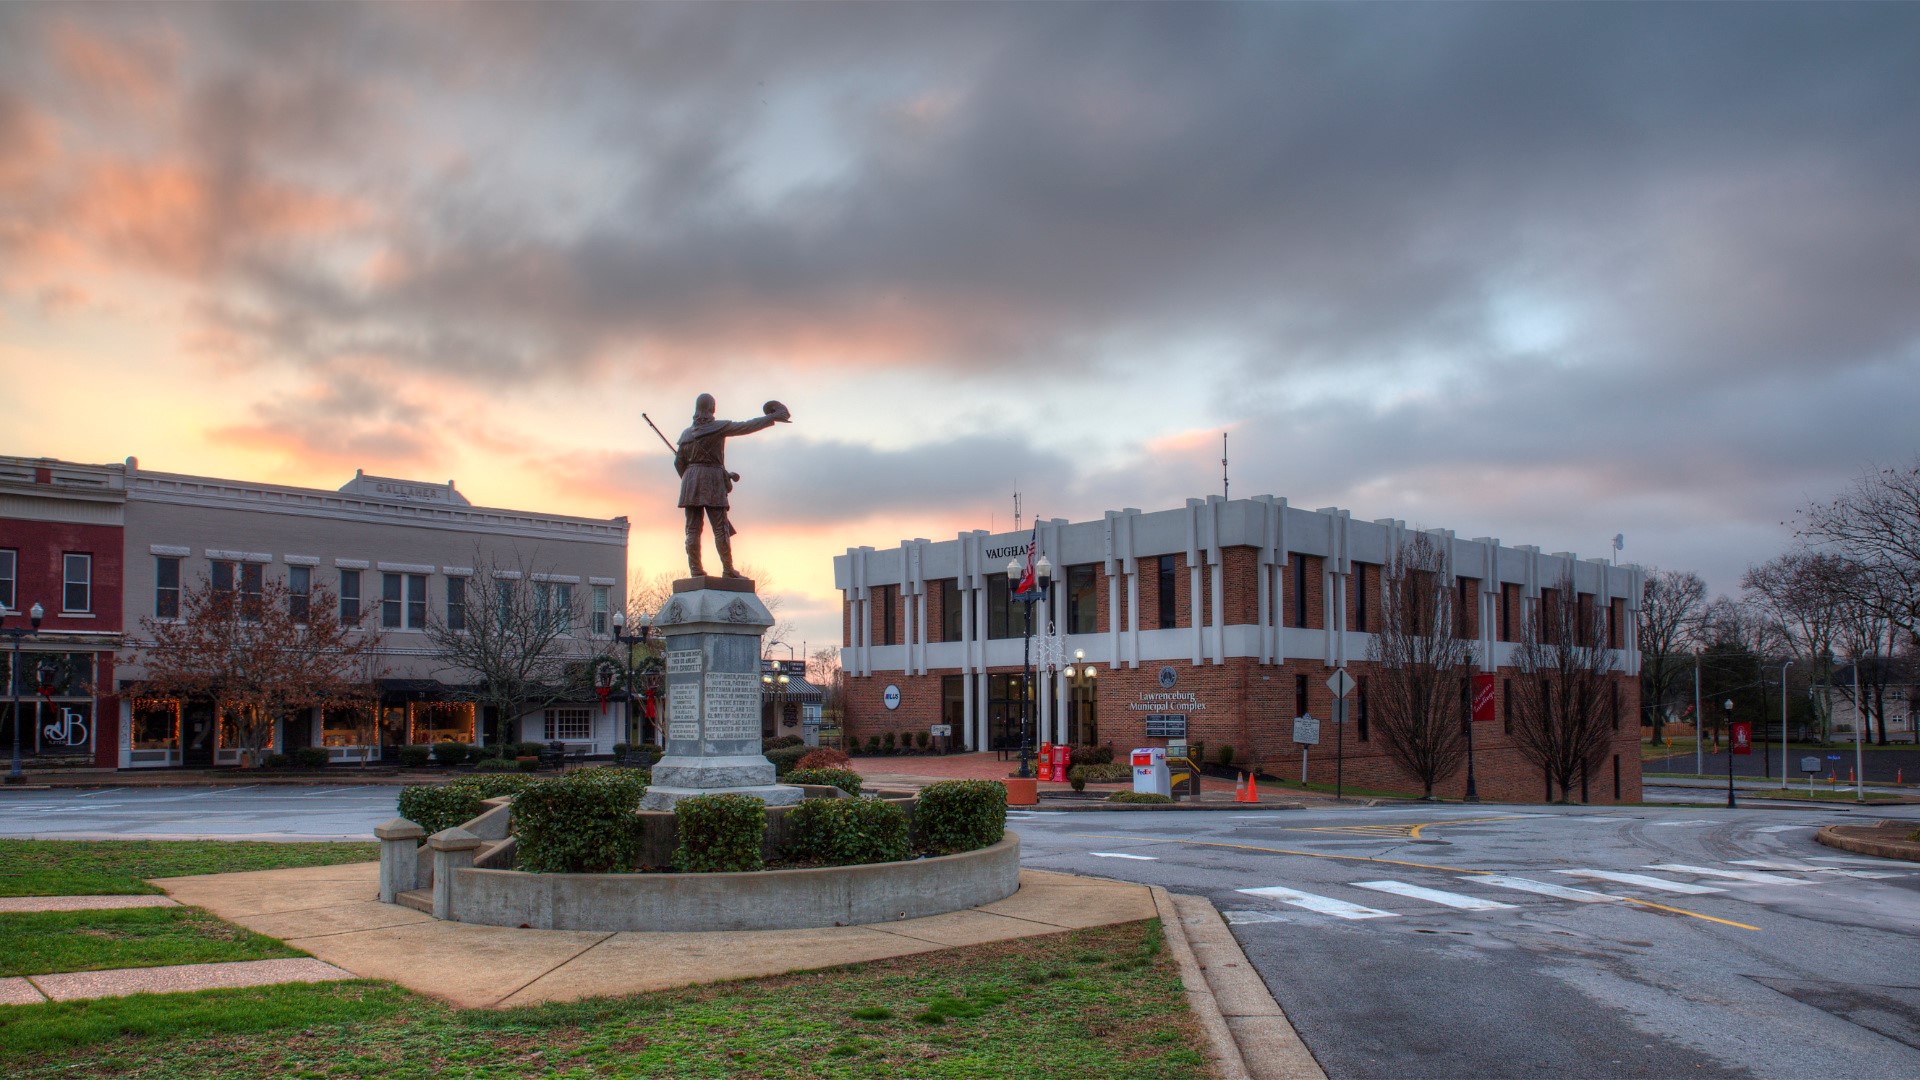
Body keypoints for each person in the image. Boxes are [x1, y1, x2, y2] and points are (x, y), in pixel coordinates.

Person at [675, 393, 790, 578]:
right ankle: (728, 570)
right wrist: (772, 416)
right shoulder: (718, 427)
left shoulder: (685, 434)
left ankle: (695, 570)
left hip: (690, 483)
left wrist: (691, 479)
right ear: (712, 408)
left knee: (692, 529)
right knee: (721, 529)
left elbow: (678, 463)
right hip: (712, 481)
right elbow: (747, 426)